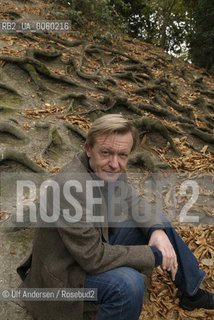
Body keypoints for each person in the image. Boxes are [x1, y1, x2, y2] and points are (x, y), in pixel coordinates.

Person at [17, 114, 214, 320]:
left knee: (160, 222)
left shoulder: (110, 167)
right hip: (66, 270)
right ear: (88, 149)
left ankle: (192, 293)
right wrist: (155, 254)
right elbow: (93, 258)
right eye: (106, 152)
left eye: (123, 155)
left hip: (95, 242)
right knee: (127, 284)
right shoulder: (71, 187)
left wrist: (157, 231)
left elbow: (132, 200)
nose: (114, 163)